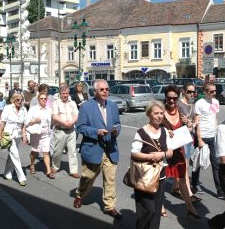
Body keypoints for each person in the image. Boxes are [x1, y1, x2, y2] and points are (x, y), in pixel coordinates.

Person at [74, 79, 122, 219]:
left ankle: (110, 206)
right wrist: (96, 132)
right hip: (93, 147)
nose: (105, 91)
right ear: (95, 92)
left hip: (110, 148)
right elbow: (80, 127)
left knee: (110, 179)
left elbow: (118, 124)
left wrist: (115, 131)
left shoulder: (112, 106)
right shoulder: (86, 107)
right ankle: (80, 194)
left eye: (107, 89)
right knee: (88, 177)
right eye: (102, 90)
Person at [131, 100, 174, 229]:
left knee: (156, 212)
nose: (159, 116)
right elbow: (134, 153)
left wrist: (161, 155)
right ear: (149, 114)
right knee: (147, 210)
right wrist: (151, 156)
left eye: (161, 113)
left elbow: (170, 152)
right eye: (156, 113)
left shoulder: (165, 131)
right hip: (144, 176)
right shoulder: (141, 132)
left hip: (160, 176)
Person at [161, 84, 202, 219]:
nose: (171, 101)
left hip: (179, 150)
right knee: (160, 180)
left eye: (174, 98)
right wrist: (165, 131)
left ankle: (189, 207)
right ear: (166, 97)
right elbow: (152, 128)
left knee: (183, 179)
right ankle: (160, 205)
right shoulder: (160, 112)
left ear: (177, 97)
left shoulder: (180, 111)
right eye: (169, 98)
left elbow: (189, 126)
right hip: (164, 152)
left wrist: (189, 124)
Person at [192, 82, 224, 199]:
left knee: (216, 164)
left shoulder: (216, 102)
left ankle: (219, 190)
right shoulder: (199, 103)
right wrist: (199, 139)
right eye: (211, 91)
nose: (214, 93)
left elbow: (214, 118)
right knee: (198, 163)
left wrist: (216, 133)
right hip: (202, 137)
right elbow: (197, 123)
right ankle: (194, 184)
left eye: (215, 91)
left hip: (212, 137)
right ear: (205, 91)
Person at [176, 82, 202, 204]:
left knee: (184, 164)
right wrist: (184, 122)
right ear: (183, 91)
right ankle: (188, 193)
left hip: (190, 138)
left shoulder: (191, 105)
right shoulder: (178, 104)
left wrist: (192, 123)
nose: (192, 94)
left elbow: (194, 123)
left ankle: (175, 187)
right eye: (189, 92)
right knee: (184, 166)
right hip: (180, 138)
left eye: (193, 92)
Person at [0, 93, 28, 186]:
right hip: (9, 134)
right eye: (17, 100)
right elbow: (3, 122)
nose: (19, 101)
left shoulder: (24, 109)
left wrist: (24, 135)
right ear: (13, 100)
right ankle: (22, 178)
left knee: (12, 154)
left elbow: (24, 124)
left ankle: (7, 173)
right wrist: (0, 134)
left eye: (21, 100)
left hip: (18, 134)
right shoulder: (8, 108)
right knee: (15, 155)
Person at [51, 85, 79, 178]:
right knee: (57, 151)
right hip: (60, 130)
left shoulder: (73, 103)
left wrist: (71, 122)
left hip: (71, 130)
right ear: (60, 94)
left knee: (72, 151)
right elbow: (54, 116)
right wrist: (64, 123)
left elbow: (76, 114)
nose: (65, 95)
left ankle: (73, 170)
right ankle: (55, 166)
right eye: (63, 93)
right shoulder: (56, 103)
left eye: (67, 93)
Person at [24, 92, 53, 178]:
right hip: (36, 133)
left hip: (46, 133)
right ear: (38, 100)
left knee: (46, 152)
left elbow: (52, 120)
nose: (43, 100)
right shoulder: (33, 109)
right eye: (42, 98)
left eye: (45, 99)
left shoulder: (49, 109)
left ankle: (48, 170)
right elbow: (27, 122)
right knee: (34, 152)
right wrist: (35, 121)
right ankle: (32, 164)